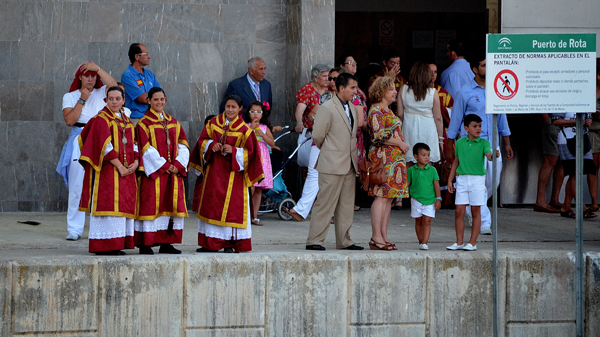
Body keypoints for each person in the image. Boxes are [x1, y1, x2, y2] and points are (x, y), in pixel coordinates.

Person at [446, 55, 513, 235]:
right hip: (471, 147)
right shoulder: (464, 92)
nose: (487, 68)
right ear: (475, 70)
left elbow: (502, 117)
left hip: (493, 145)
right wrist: (450, 144)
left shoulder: (497, 89)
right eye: (483, 65)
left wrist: (507, 142)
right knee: (477, 184)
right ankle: (483, 222)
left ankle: (473, 208)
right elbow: (456, 120)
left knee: (492, 183)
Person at [190, 95, 264, 253]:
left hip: (234, 178)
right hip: (213, 175)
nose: (230, 110)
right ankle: (209, 244)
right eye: (228, 106)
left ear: (240, 109)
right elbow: (201, 141)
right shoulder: (213, 124)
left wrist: (235, 151)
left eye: (233, 107)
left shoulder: (245, 130)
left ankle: (229, 243)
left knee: (231, 211)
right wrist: (211, 145)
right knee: (211, 207)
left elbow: (252, 155)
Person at [57, 62, 117, 241]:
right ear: (80, 78)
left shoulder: (102, 93)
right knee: (77, 184)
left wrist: (98, 68)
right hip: (80, 139)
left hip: (102, 138)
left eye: (93, 76)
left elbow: (114, 86)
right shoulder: (70, 96)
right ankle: (75, 229)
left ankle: (102, 227)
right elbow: (70, 120)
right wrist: (82, 99)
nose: (90, 79)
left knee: (104, 183)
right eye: (87, 76)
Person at [305, 73, 363, 251]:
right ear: (341, 88)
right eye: (352, 88)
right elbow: (318, 135)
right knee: (325, 203)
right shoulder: (327, 107)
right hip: (331, 163)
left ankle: (344, 241)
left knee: (346, 205)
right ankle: (315, 239)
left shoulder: (353, 108)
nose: (355, 92)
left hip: (349, 164)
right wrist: (331, 150)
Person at [78, 86, 138, 255]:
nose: (114, 102)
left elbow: (134, 144)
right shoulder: (101, 119)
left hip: (126, 171)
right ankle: (104, 245)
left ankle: (117, 243)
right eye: (110, 99)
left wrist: (135, 162)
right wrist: (119, 166)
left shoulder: (126, 121)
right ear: (105, 100)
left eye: (117, 98)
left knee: (121, 207)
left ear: (123, 101)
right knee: (108, 205)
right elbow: (105, 146)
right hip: (108, 171)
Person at [135, 87, 189, 255]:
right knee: (151, 205)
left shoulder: (173, 122)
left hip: (173, 173)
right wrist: (165, 166)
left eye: (162, 99)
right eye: (155, 99)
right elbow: (145, 148)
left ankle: (167, 243)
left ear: (165, 100)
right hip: (155, 174)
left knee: (171, 206)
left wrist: (178, 165)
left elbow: (183, 145)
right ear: (149, 101)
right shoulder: (144, 123)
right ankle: (146, 244)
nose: (159, 102)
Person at [367, 76, 410, 251]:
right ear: (382, 91)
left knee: (388, 198)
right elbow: (378, 136)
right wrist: (399, 143)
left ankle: (383, 236)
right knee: (381, 196)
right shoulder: (376, 110)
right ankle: (376, 236)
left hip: (394, 159)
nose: (395, 92)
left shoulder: (388, 110)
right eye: (391, 89)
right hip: (383, 159)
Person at [447, 114, 499, 251]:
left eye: (480, 126)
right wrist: (450, 179)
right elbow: (456, 161)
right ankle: (459, 242)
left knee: (476, 210)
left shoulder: (484, 143)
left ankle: (472, 242)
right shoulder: (459, 143)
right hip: (462, 179)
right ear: (466, 128)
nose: (478, 129)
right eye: (475, 126)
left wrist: (494, 155)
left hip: (477, 180)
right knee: (459, 211)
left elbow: (489, 155)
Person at [286, 64, 330, 221]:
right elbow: (301, 110)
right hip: (312, 136)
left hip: (328, 139)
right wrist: (299, 122)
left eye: (329, 76)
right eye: (325, 76)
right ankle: (312, 210)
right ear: (316, 77)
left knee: (319, 174)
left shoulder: (331, 92)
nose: (328, 79)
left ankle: (306, 210)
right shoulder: (308, 90)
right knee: (316, 174)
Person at [552, 113, 597, 219]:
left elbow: (588, 116)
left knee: (583, 171)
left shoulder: (584, 100)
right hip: (567, 139)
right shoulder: (563, 100)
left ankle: (566, 206)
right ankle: (583, 208)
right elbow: (555, 121)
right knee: (574, 173)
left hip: (583, 139)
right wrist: (575, 122)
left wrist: (589, 120)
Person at [398, 61, 444, 166]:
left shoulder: (403, 90)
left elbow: (399, 115)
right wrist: (440, 140)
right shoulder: (433, 92)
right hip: (428, 130)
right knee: (427, 164)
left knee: (408, 164)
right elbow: (438, 118)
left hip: (409, 128)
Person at [243, 101, 279, 226]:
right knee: (250, 187)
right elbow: (241, 140)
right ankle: (245, 214)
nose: (256, 114)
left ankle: (254, 216)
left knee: (258, 189)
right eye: (253, 111)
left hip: (262, 159)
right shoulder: (245, 126)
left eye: (258, 112)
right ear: (248, 113)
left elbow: (272, 143)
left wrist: (263, 135)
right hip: (251, 158)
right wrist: (251, 129)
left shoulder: (264, 127)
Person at [407, 143, 441, 250]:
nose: (427, 157)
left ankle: (425, 242)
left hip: (430, 200)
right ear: (415, 156)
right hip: (416, 199)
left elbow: (436, 185)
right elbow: (407, 183)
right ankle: (420, 241)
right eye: (423, 155)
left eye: (428, 155)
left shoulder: (432, 170)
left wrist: (438, 198)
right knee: (418, 221)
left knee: (427, 221)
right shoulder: (411, 170)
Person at [430, 63, 455, 206]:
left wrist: (442, 110)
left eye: (435, 72)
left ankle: (444, 197)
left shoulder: (443, 93)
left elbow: (452, 111)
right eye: (430, 72)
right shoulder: (416, 91)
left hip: (441, 133)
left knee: (443, 164)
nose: (433, 75)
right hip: (426, 130)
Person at [121, 43, 161, 124]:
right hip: (136, 119)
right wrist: (156, 97)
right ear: (137, 57)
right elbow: (142, 98)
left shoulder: (150, 74)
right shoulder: (127, 75)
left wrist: (152, 97)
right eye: (146, 54)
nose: (149, 57)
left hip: (153, 117)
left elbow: (163, 97)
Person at [534, 113, 564, 213]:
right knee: (550, 160)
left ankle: (554, 199)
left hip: (565, 123)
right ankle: (540, 201)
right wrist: (548, 121)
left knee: (561, 161)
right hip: (553, 122)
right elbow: (540, 98)